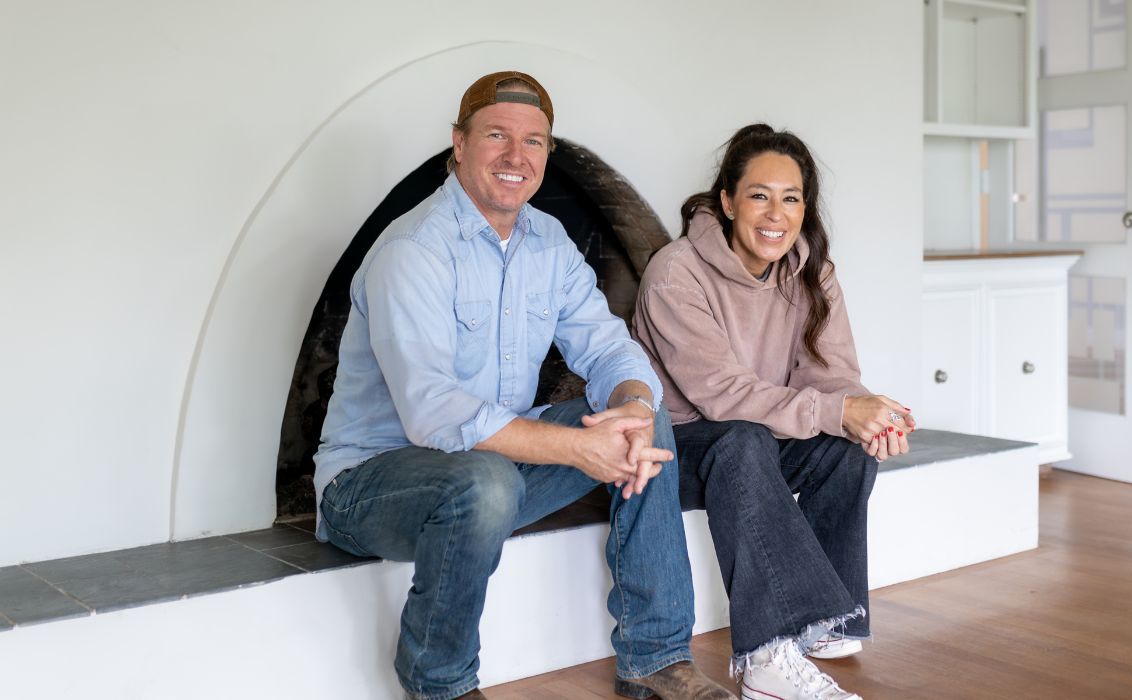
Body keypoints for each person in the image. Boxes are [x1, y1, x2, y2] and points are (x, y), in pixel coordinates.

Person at [313, 71, 733, 700]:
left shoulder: (548, 242)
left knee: (646, 422)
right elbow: (434, 413)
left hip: (493, 473)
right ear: (458, 143)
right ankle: (442, 685)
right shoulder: (414, 249)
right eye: (497, 136)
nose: (517, 156)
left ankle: (654, 657)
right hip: (369, 488)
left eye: (534, 142)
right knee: (483, 480)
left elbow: (609, 344)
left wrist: (633, 405)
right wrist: (575, 448)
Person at [632, 124, 917, 700]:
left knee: (843, 448)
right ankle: (765, 658)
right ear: (728, 201)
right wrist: (837, 410)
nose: (775, 213)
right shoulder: (676, 272)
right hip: (679, 447)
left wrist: (866, 415)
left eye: (791, 198)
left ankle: (825, 620)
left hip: (755, 439)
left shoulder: (813, 272)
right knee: (740, 438)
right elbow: (722, 395)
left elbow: (831, 374)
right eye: (760, 195)